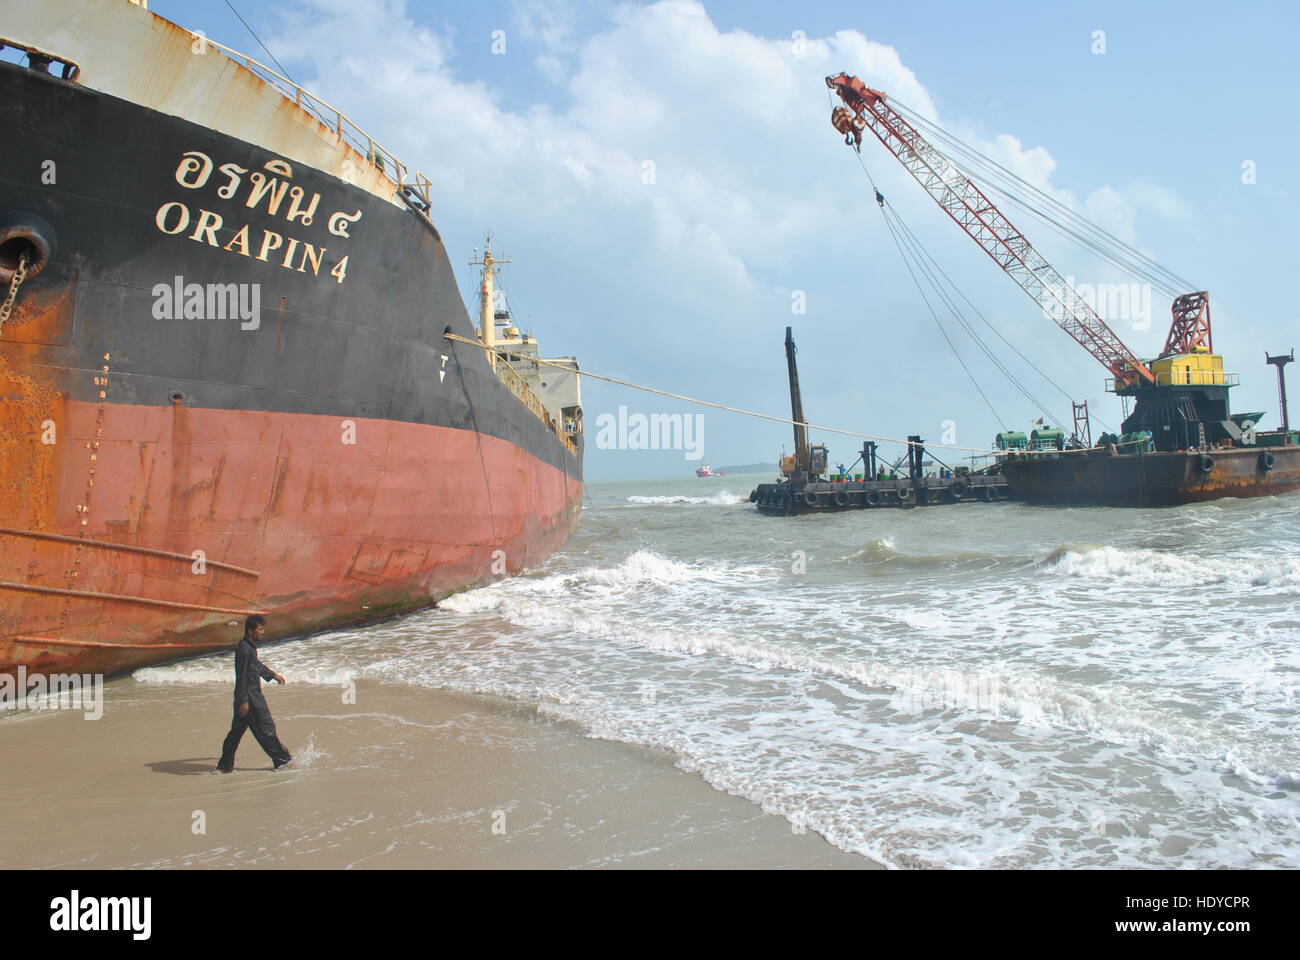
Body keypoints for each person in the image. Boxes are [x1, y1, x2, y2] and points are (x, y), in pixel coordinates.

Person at [216, 614, 292, 772]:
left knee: (235, 734)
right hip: (250, 698)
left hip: (246, 697)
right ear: (250, 631)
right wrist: (244, 701)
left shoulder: (248, 647)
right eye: (260, 629)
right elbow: (242, 676)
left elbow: (255, 665)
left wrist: (272, 675)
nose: (262, 632)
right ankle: (283, 761)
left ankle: (224, 766)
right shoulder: (244, 649)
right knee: (266, 729)